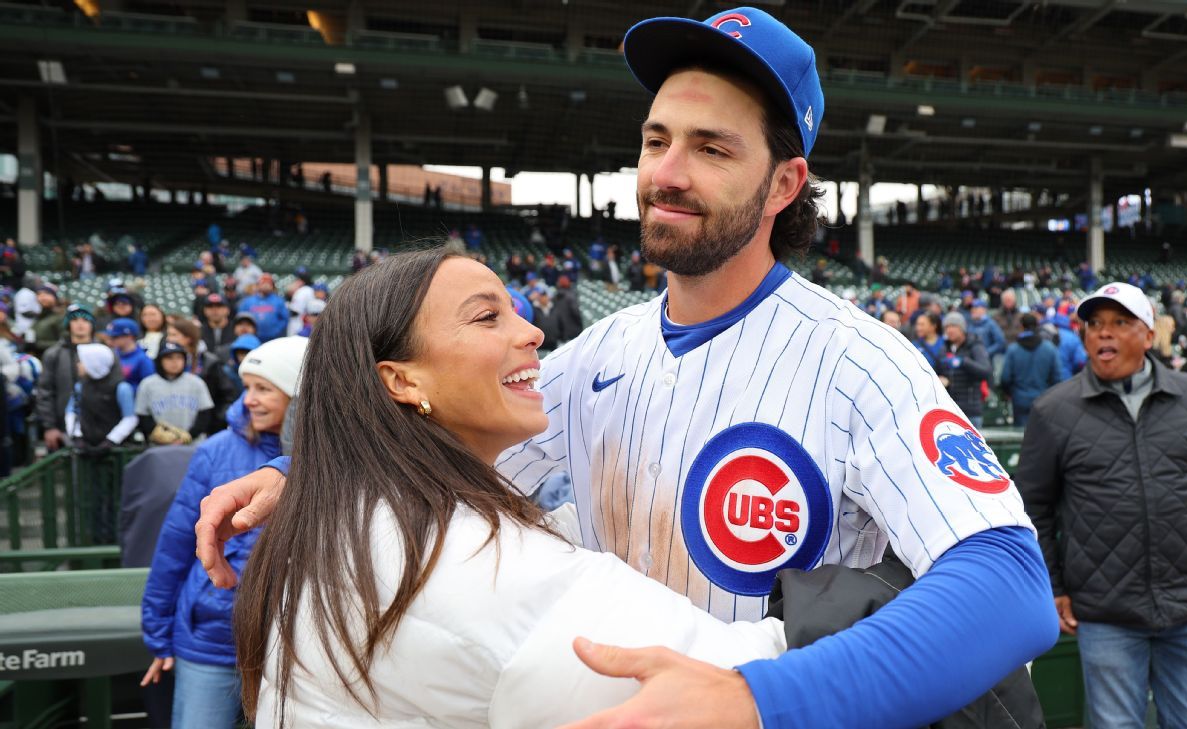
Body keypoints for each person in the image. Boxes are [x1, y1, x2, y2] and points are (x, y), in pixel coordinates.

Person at [198, 10, 1056, 729]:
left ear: (786, 183)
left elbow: (1009, 584)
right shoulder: (591, 359)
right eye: (656, 140)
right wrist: (301, 472)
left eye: (712, 149)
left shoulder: (859, 359)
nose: (667, 174)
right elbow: (436, 453)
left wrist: (761, 699)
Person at [232, 250, 788, 728]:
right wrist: (832, 602)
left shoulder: (342, 516)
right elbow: (736, 679)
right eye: (486, 317)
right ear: (401, 380)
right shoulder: (478, 561)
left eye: (514, 312)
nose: (531, 332)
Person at [1016, 282, 1187, 729]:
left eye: (1120, 323)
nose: (1103, 334)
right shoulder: (1054, 411)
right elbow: (1032, 509)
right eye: (1095, 324)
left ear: (1149, 335)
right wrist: (1052, 586)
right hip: (1106, 611)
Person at [140, 337, 308, 728]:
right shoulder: (215, 451)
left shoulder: (335, 461)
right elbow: (175, 547)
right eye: (247, 387)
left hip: (295, 647)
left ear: (300, 396)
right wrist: (159, 634)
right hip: (212, 639)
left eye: (264, 388)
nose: (249, 399)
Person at [64, 342, 137, 543]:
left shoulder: (121, 387)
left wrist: (110, 441)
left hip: (114, 455)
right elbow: (72, 411)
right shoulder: (80, 387)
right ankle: (93, 539)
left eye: (82, 361)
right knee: (90, 499)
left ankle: (116, 541)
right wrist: (77, 436)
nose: (78, 365)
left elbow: (130, 418)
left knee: (115, 499)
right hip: (88, 453)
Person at [35, 307, 97, 452]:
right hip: (62, 429)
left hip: (98, 429)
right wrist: (50, 427)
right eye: (75, 320)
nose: (80, 324)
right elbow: (45, 392)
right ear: (68, 325)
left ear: (92, 325)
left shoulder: (103, 351)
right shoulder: (53, 354)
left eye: (85, 320)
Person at [135, 341, 215, 446]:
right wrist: (157, 434)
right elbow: (143, 415)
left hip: (194, 445)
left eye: (179, 357)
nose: (175, 362)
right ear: (160, 361)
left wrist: (189, 435)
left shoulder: (196, 383)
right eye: (169, 358)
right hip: (160, 446)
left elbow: (205, 414)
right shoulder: (147, 384)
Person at [999, 313, 1064, 428]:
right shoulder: (1049, 348)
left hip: (1020, 400)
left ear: (1022, 326)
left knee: (1021, 439)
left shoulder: (1013, 349)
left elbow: (1005, 378)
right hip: (1044, 400)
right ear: (1037, 326)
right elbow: (1058, 377)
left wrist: (1011, 393)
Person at [938, 312, 991, 428]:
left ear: (962, 328)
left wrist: (964, 362)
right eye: (947, 327)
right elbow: (938, 372)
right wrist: (941, 380)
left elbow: (986, 371)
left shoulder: (975, 346)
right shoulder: (944, 349)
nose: (950, 330)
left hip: (971, 411)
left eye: (953, 326)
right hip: (951, 410)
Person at [107, 318, 155, 392]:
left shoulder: (143, 359)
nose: (111, 340)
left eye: (115, 337)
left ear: (129, 336)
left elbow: (149, 388)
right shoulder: (111, 354)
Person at [238, 274, 289, 340]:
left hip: (273, 339)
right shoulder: (248, 301)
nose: (266, 285)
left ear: (272, 286)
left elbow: (285, 319)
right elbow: (241, 317)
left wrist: (276, 331)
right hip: (252, 338)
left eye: (268, 283)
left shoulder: (279, 301)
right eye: (263, 282)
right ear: (258, 285)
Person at [31, 284, 66, 357]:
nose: (42, 297)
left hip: (57, 359)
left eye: (46, 293)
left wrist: (37, 345)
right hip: (41, 358)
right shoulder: (39, 318)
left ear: (54, 297)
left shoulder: (61, 316)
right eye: (39, 294)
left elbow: (65, 343)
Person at [200, 294, 237, 358]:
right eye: (210, 306)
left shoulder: (236, 329)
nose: (214, 310)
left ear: (228, 310)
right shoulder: (198, 331)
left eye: (219, 306)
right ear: (204, 311)